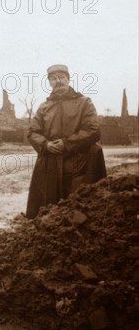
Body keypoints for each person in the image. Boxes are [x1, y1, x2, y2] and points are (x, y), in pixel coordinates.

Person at [26, 64, 106, 219]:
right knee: (48, 212)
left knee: (80, 210)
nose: (59, 82)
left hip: (79, 163)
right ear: (49, 82)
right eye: (53, 79)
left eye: (62, 77)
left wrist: (67, 144)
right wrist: (46, 145)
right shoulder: (44, 107)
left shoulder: (84, 103)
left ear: (68, 79)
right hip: (51, 163)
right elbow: (33, 132)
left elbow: (93, 130)